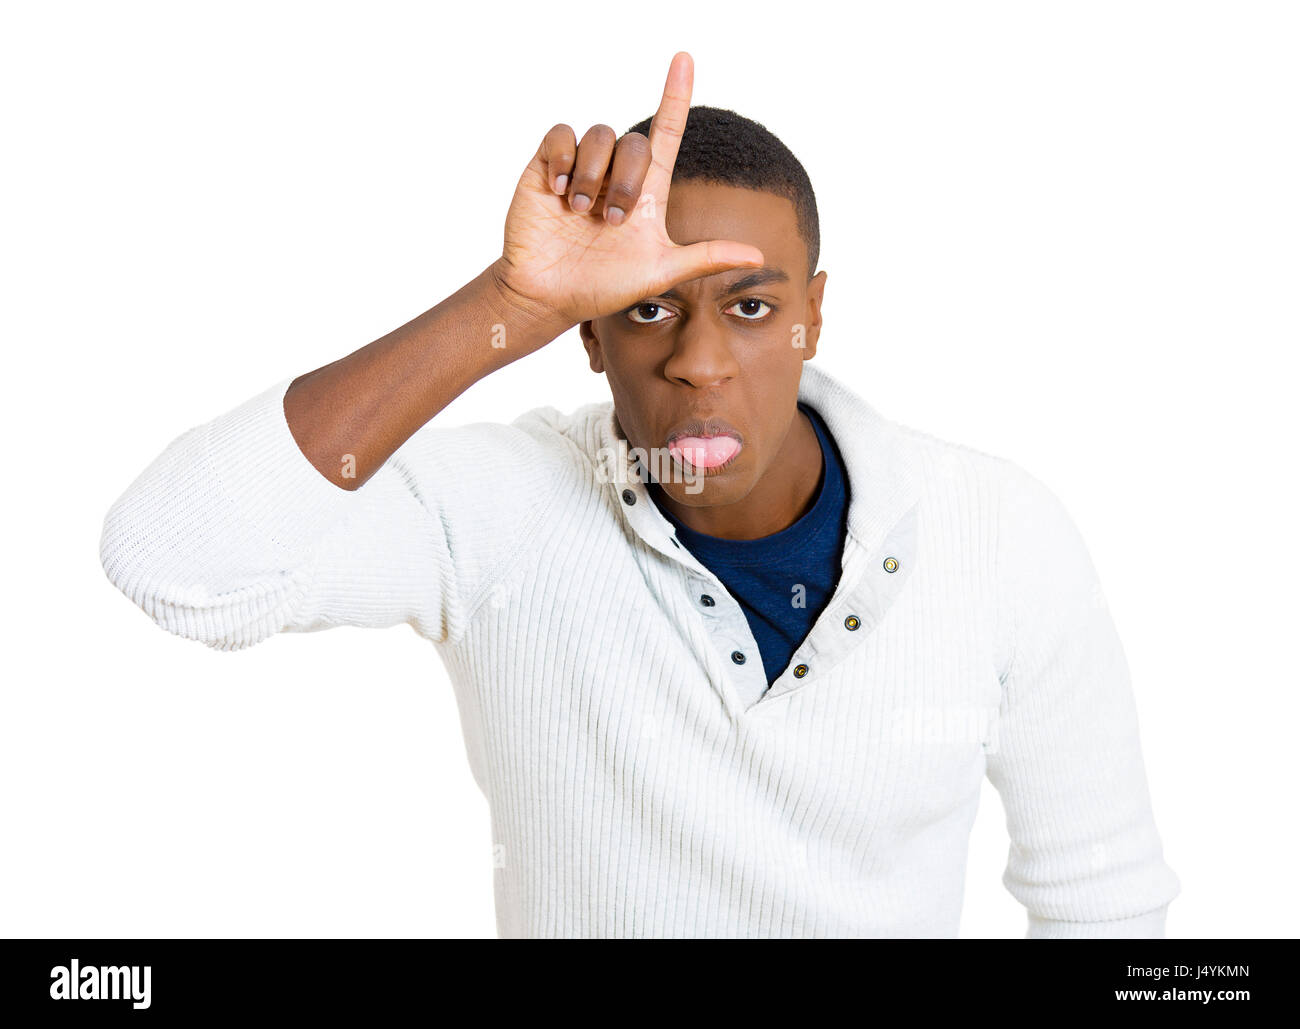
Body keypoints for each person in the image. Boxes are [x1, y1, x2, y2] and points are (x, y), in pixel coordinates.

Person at [99, 52, 1180, 938]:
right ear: (588, 336)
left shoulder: (996, 533)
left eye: (751, 309)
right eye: (649, 312)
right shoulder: (499, 512)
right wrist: (506, 302)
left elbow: (1106, 907)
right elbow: (177, 562)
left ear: (813, 313)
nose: (700, 363)